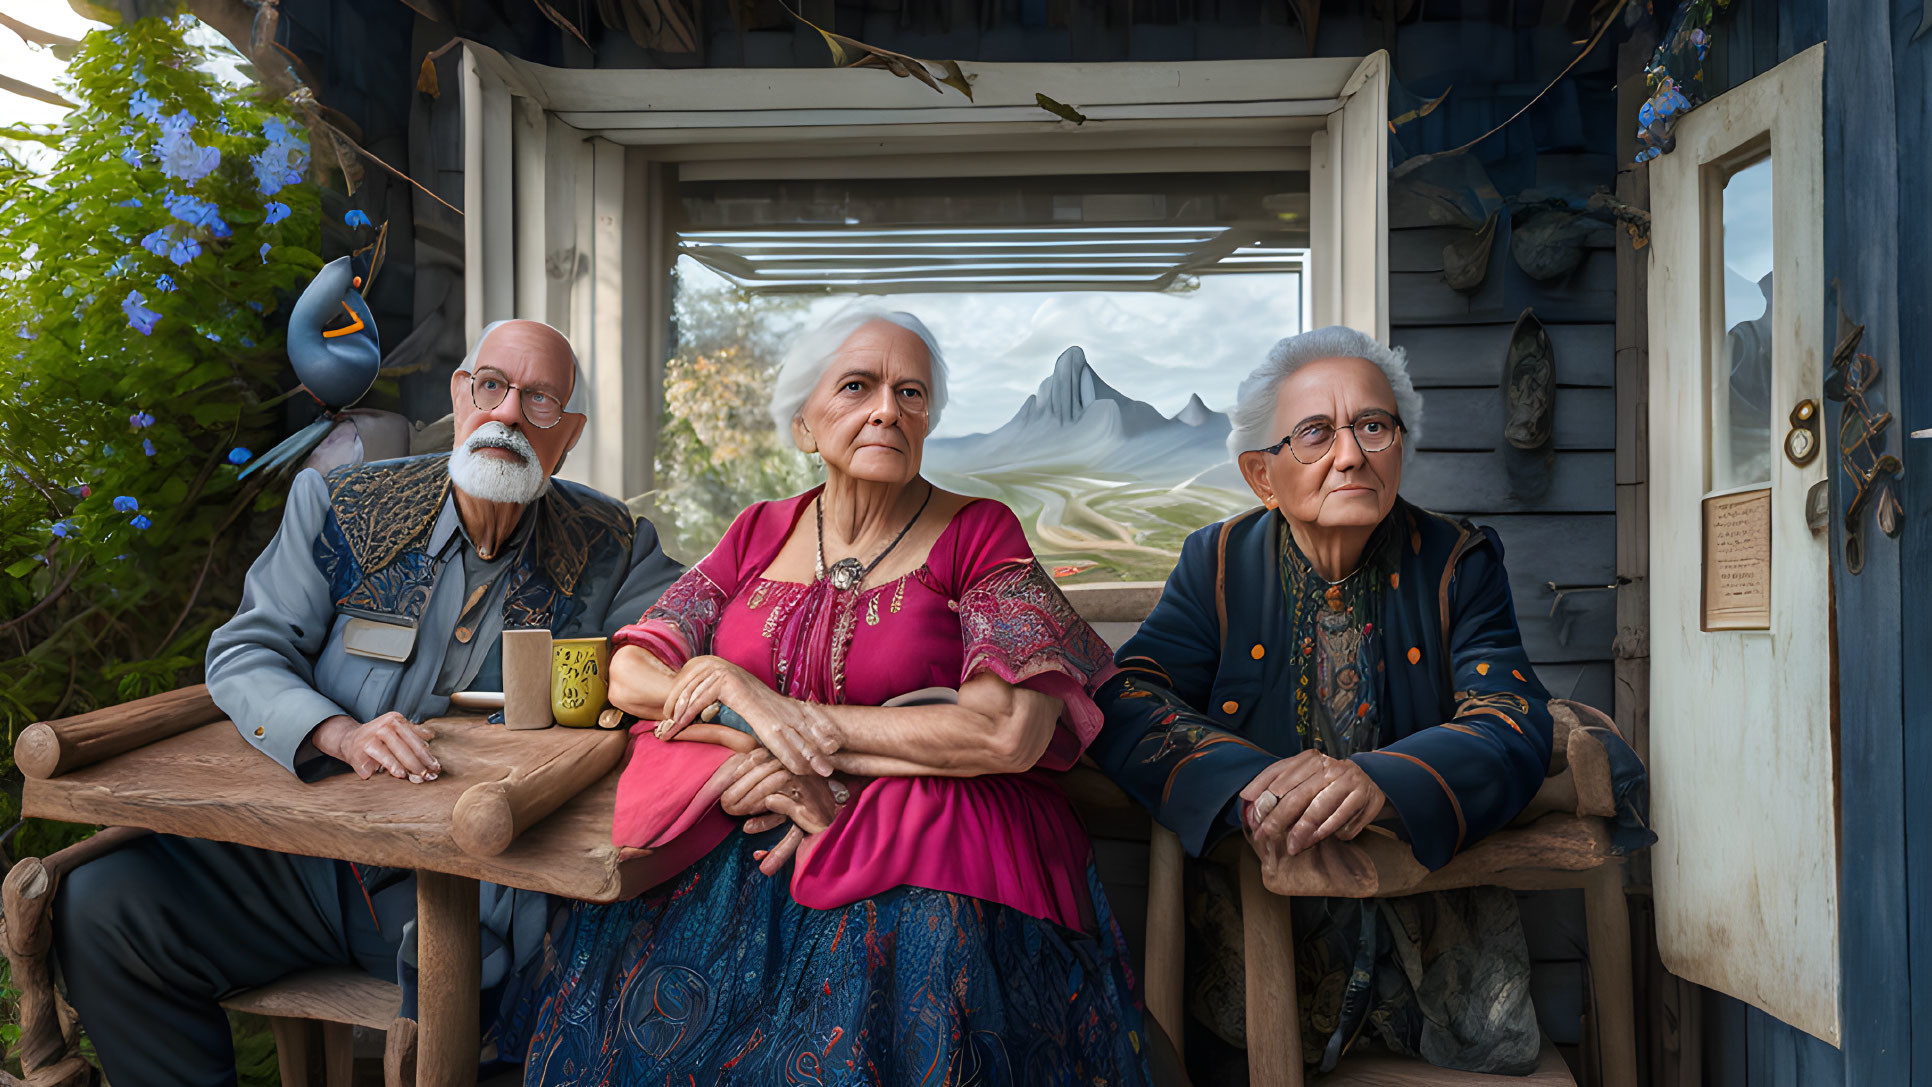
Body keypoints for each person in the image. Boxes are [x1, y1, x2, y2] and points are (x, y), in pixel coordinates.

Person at [510, 309, 1154, 1085]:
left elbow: (1007, 730)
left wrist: (796, 729)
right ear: (806, 424)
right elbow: (634, 671)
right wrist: (752, 723)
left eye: (911, 393)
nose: (889, 408)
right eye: (858, 386)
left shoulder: (980, 531)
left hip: (933, 837)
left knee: (911, 965)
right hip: (755, 816)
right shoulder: (756, 531)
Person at [53, 319, 682, 1086]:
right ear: (461, 394)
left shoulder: (614, 546)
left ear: (568, 432)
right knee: (101, 904)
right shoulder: (343, 506)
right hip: (299, 856)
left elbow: (687, 649)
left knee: (536, 1010)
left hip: (478, 888)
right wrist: (338, 732)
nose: (509, 414)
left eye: (540, 401)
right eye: (492, 387)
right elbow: (247, 651)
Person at [1089, 325, 1644, 1075]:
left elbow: (1512, 717)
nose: (1351, 454)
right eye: (1316, 433)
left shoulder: (1458, 562)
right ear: (1263, 474)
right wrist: (1247, 783)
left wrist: (1378, 780)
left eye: (1373, 426)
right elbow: (1128, 698)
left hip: (1434, 936)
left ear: (1398, 445)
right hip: (1264, 940)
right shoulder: (1218, 564)